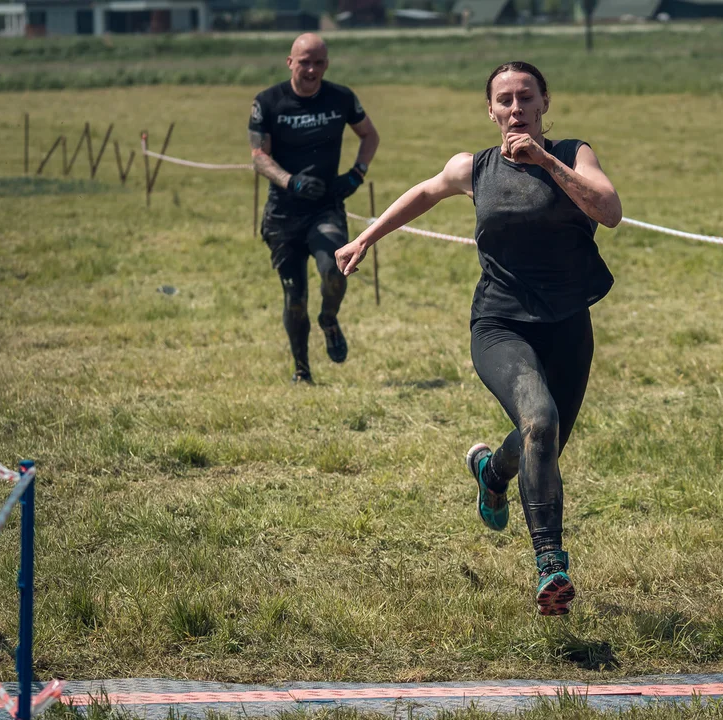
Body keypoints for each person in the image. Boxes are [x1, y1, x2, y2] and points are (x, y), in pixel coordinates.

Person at [335, 61, 622, 615]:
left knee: (545, 440)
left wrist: (543, 159)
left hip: (567, 323)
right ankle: (551, 568)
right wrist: (365, 239)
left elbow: (608, 211)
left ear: (545, 104)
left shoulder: (574, 153)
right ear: (489, 110)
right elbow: (424, 192)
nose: (516, 109)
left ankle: (492, 473)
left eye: (526, 98)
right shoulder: (474, 168)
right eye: (504, 100)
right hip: (501, 325)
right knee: (539, 421)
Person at [249, 33, 380, 384]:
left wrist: (356, 175)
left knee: (337, 271)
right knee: (294, 296)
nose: (311, 69)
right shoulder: (268, 102)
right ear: (290, 62)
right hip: (283, 214)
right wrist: (290, 181)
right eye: (304, 61)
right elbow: (259, 157)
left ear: (326, 65)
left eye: (318, 62)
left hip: (325, 208)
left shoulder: (341, 97)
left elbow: (370, 135)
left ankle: (329, 318)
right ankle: (302, 371)